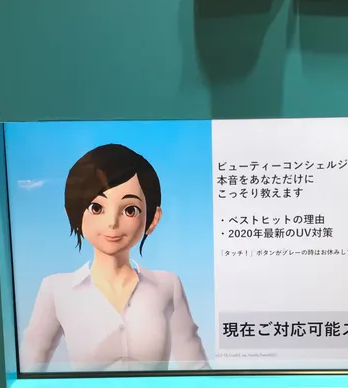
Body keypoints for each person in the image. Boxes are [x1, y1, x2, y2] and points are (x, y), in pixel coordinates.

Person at [20, 143, 209, 372]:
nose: (112, 223)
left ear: (153, 218)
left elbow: (197, 368)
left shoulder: (168, 285)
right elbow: (29, 369)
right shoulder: (56, 289)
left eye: (130, 210)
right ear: (73, 212)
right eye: (96, 208)